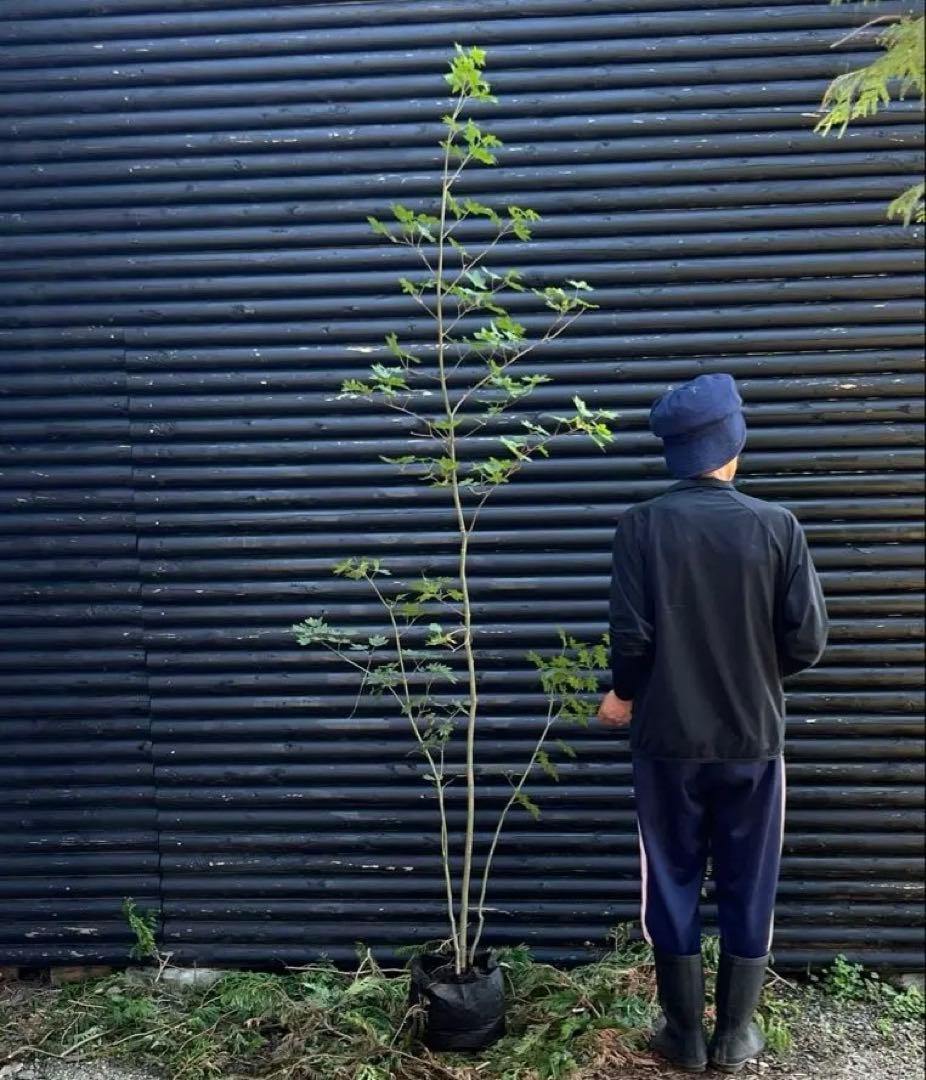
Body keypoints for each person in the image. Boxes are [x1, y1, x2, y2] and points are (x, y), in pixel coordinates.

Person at [597, 373, 828, 1073]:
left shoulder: (641, 525)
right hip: (752, 739)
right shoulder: (778, 526)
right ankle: (734, 1035)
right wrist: (755, 674)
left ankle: (684, 1037)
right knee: (749, 880)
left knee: (669, 878)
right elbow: (807, 640)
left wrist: (623, 695)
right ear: (733, 443)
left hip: (667, 742)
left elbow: (632, 638)